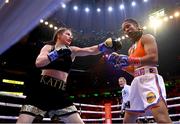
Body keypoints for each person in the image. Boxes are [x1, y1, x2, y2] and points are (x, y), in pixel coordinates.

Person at [16, 27, 122, 123]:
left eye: (71, 35)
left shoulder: (72, 50)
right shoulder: (49, 47)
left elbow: (90, 50)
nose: (71, 37)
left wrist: (105, 45)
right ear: (59, 35)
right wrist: (56, 53)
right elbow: (39, 63)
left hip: (59, 93)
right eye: (68, 34)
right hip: (41, 91)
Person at [108, 19, 172, 123]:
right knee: (128, 120)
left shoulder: (147, 38)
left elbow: (153, 58)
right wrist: (122, 66)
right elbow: (134, 71)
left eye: (128, 26)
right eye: (124, 29)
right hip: (136, 82)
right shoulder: (131, 49)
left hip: (149, 79)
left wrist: (130, 60)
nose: (126, 30)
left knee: (162, 119)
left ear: (137, 25)